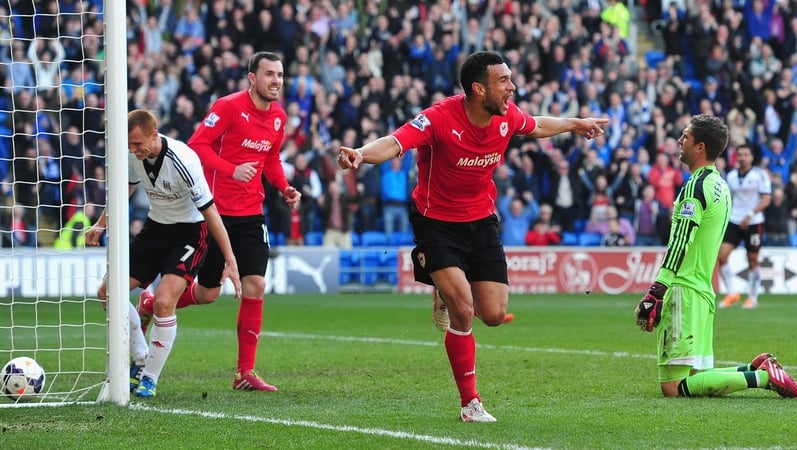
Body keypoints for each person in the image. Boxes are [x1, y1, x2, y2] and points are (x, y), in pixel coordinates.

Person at [338, 51, 608, 422]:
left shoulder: (505, 117)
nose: (512, 87)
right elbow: (397, 141)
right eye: (504, 81)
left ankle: (445, 290)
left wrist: (576, 123)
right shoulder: (438, 117)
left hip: (481, 221)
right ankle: (471, 403)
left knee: (493, 315)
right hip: (435, 222)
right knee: (464, 309)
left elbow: (536, 125)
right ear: (479, 89)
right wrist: (360, 154)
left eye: (511, 79)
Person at [142, 51, 301, 393]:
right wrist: (231, 170)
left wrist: (284, 187)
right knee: (208, 293)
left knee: (255, 285)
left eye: (280, 74)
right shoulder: (228, 107)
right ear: (252, 78)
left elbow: (270, 158)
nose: (276, 80)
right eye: (270, 74)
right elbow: (197, 146)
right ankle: (151, 304)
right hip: (214, 214)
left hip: (251, 215)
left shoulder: (278, 117)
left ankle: (245, 372)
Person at [634, 114, 797, 399]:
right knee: (696, 378)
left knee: (673, 387)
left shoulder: (695, 187)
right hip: (702, 292)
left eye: (685, 136)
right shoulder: (721, 186)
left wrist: (657, 290)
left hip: (683, 292)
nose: (679, 140)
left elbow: (680, 241)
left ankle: (761, 377)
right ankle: (756, 367)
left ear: (700, 147)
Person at [86, 109, 242, 398]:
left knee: (164, 301)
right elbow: (124, 191)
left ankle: (150, 378)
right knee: (107, 293)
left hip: (190, 234)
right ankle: (141, 354)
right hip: (155, 229)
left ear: (154, 135)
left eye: (137, 144)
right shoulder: (135, 158)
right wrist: (100, 224)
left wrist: (230, 260)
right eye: (129, 145)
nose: (133, 150)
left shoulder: (183, 161)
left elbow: (211, 213)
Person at [717, 144, 772, 309]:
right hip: (734, 220)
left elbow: (766, 199)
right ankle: (732, 293)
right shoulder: (731, 176)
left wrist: (750, 215)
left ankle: (753, 298)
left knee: (753, 260)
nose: (742, 157)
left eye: (746, 154)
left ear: (751, 157)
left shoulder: (759, 175)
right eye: (739, 154)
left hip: (754, 222)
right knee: (722, 255)